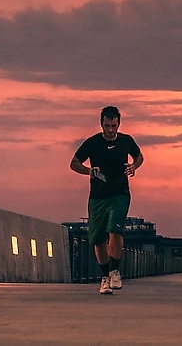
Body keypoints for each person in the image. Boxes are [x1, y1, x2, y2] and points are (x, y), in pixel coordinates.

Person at [70, 106, 144, 295]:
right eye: (107, 125)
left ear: (118, 124)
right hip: (97, 197)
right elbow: (74, 163)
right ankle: (105, 278)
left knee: (115, 229)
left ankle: (115, 271)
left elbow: (139, 156)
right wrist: (89, 171)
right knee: (99, 239)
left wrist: (134, 166)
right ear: (101, 124)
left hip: (120, 193)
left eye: (113, 125)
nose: (110, 130)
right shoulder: (92, 143)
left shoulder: (126, 141)